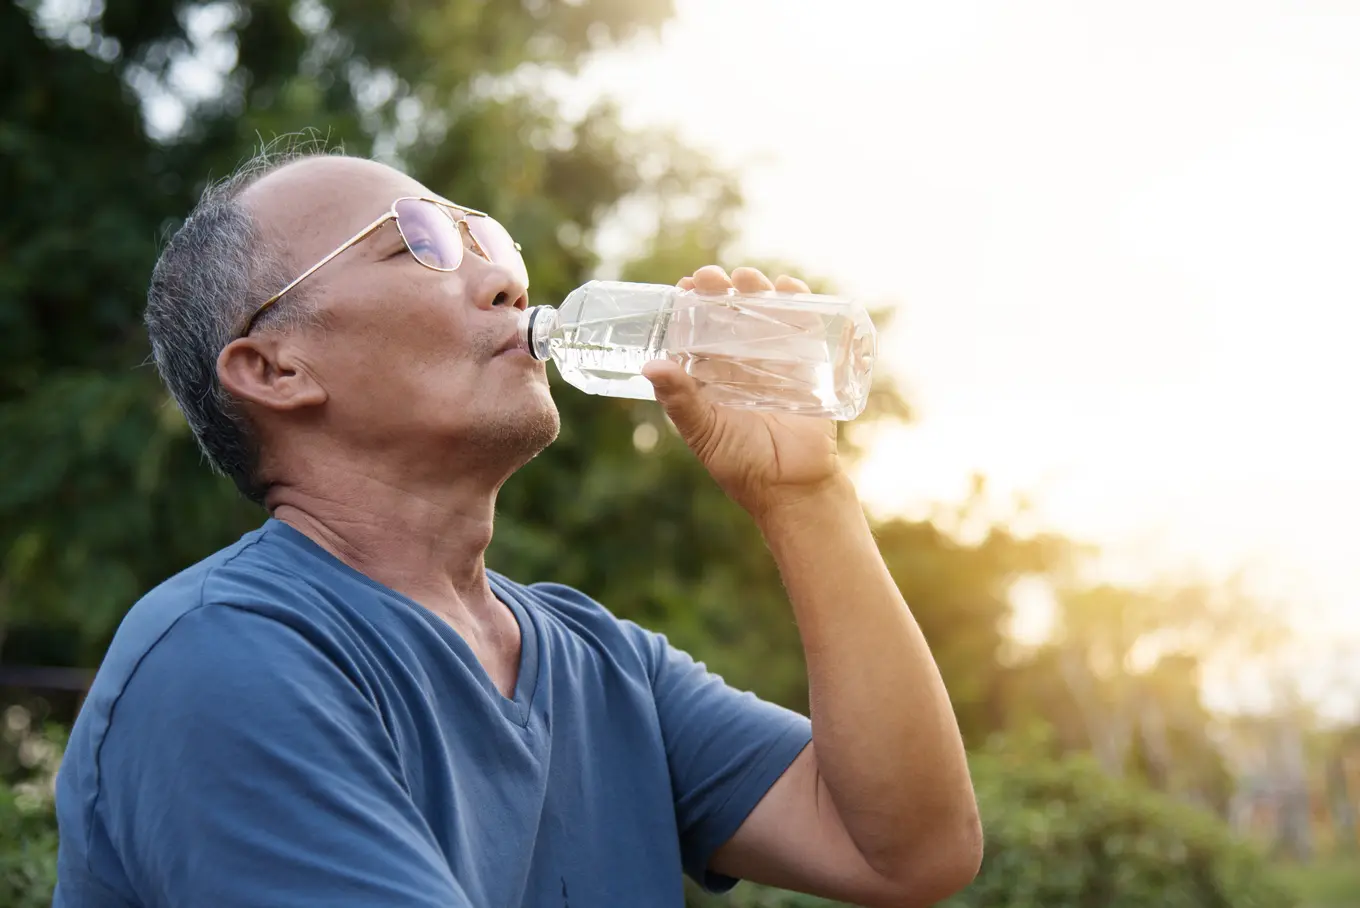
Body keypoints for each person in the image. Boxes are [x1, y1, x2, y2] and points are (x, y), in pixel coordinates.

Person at [53, 147, 982, 908]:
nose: (504, 279)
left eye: (482, 237)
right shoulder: (224, 659)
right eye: (417, 243)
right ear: (277, 368)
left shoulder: (600, 660)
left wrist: (804, 498)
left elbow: (907, 853)